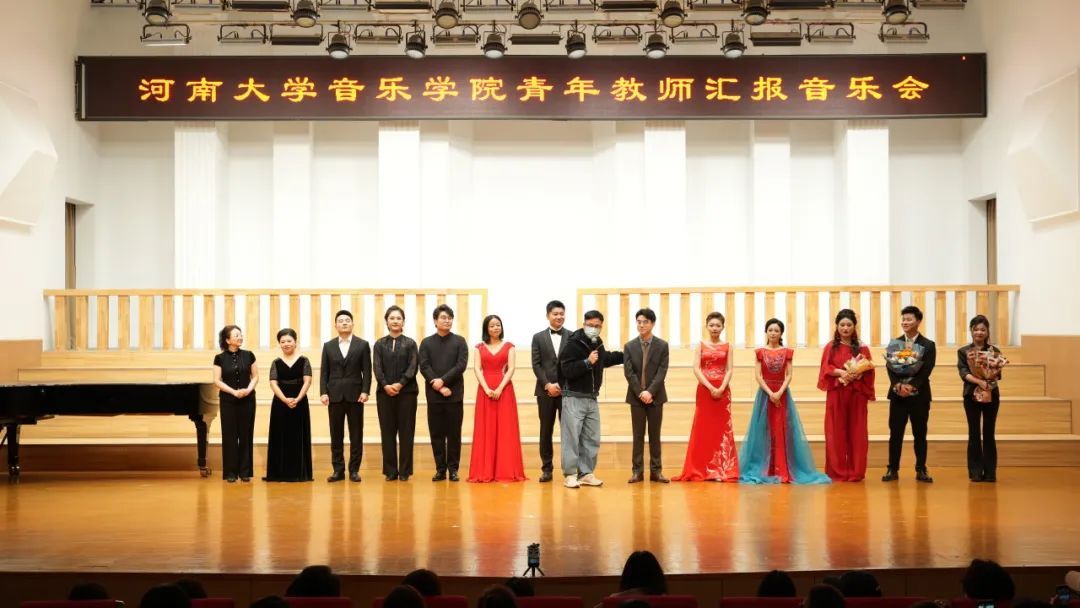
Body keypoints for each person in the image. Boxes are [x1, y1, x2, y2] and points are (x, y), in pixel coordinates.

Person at [739, 319, 830, 484]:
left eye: (776, 330)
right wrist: (770, 393)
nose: (773, 333)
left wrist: (779, 392)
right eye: (770, 330)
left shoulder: (787, 352)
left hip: (782, 394)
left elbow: (789, 375)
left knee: (782, 428)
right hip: (765, 395)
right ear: (766, 332)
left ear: (781, 333)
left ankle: (782, 467)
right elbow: (758, 376)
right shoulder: (760, 352)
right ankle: (766, 467)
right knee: (764, 429)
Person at [559, 310, 624, 489]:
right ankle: (570, 474)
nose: (594, 329)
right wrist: (587, 362)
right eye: (591, 325)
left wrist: (627, 354)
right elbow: (566, 370)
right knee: (571, 438)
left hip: (591, 398)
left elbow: (605, 359)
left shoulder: (598, 343)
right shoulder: (573, 343)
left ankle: (586, 473)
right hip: (573, 397)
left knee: (591, 438)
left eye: (597, 326)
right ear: (584, 324)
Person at [673, 311, 738, 482]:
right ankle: (701, 469)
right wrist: (710, 387)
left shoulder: (728, 346)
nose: (715, 328)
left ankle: (721, 470)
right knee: (703, 429)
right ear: (706, 326)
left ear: (723, 327)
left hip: (723, 391)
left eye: (718, 325)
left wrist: (721, 387)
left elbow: (729, 369)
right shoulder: (700, 345)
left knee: (722, 428)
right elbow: (696, 369)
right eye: (712, 325)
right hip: (704, 390)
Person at [818, 309, 876, 482]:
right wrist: (841, 372)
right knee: (835, 431)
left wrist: (857, 374)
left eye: (849, 325)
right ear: (837, 326)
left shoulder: (863, 348)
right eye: (842, 325)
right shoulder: (830, 347)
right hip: (837, 392)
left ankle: (856, 471)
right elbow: (825, 368)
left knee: (857, 432)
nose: (845, 328)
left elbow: (869, 370)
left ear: (854, 326)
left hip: (857, 394)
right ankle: (837, 471)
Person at [468, 315, 527, 482]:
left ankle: (505, 470)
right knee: (486, 429)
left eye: (498, 325)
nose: (496, 328)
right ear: (486, 329)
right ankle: (485, 471)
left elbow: (511, 369)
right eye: (492, 325)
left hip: (505, 390)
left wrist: (500, 388)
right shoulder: (479, 347)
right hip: (485, 390)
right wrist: (486, 388)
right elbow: (477, 369)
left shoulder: (509, 347)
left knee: (505, 429)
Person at [882, 305, 937, 483]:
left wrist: (912, 386)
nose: (905, 322)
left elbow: (926, 370)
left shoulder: (928, 345)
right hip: (898, 395)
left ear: (918, 321)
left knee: (920, 433)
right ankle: (892, 468)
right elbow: (890, 367)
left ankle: (921, 469)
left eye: (909, 319)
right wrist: (898, 385)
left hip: (919, 396)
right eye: (903, 319)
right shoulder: (895, 343)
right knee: (895, 433)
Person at [419, 304, 470, 482]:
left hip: (454, 395)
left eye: (449, 318)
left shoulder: (460, 341)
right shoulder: (426, 343)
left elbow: (461, 365)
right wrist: (439, 386)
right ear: (435, 321)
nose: (447, 320)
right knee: (437, 434)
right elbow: (424, 366)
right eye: (443, 317)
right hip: (434, 395)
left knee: (454, 434)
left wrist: (444, 381)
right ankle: (440, 469)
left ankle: (453, 469)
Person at [320, 310, 371, 483]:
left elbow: (367, 371)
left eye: (347, 320)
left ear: (352, 324)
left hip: (356, 396)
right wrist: (323, 392)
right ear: (335, 325)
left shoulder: (362, 345)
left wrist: (365, 391)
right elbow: (324, 372)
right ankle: (338, 470)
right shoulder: (328, 346)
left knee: (356, 435)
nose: (344, 323)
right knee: (336, 435)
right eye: (340, 320)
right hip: (334, 396)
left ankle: (354, 470)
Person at [623, 308, 670, 484]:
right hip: (636, 398)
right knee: (638, 436)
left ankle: (656, 472)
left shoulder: (662, 345)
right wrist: (640, 392)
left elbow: (662, 371)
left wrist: (650, 391)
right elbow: (629, 373)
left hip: (656, 397)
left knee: (655, 435)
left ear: (653, 324)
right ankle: (637, 471)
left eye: (645, 322)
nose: (641, 325)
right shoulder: (629, 346)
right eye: (639, 322)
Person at [373, 305, 420, 482]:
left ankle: (405, 471)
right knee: (387, 432)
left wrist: (400, 384)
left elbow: (413, 367)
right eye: (392, 318)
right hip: (384, 394)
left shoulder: (410, 343)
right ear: (386, 322)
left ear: (403, 322)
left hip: (407, 393)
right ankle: (390, 471)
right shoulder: (379, 344)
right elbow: (377, 367)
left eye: (398, 318)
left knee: (407, 432)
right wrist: (386, 385)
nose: (395, 321)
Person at [958, 315, 1004, 483]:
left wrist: (987, 386)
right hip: (970, 395)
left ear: (987, 331)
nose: (979, 332)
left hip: (992, 395)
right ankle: (975, 472)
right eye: (976, 329)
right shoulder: (963, 351)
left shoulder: (995, 351)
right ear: (971, 331)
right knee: (974, 433)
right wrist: (979, 382)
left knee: (989, 433)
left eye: (983, 329)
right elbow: (963, 372)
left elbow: (997, 375)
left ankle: (990, 472)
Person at [264, 328, 313, 482]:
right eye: (282, 341)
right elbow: (273, 383)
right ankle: (279, 474)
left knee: (298, 436)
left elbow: (307, 381)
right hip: (280, 403)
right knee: (280, 436)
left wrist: (297, 399)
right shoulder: (276, 362)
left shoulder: (304, 360)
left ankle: (299, 473)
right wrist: (285, 399)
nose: (286, 344)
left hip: (300, 402)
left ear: (295, 342)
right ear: (279, 344)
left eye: (289, 341)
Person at [531, 300, 571, 482]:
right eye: (555, 314)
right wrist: (548, 384)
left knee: (568, 432)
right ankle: (546, 469)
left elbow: (573, 364)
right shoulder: (538, 337)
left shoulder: (572, 336)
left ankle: (569, 469)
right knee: (545, 431)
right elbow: (536, 364)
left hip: (566, 391)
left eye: (561, 313)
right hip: (544, 392)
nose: (559, 317)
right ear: (548, 316)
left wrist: (562, 385)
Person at [213, 325, 258, 483]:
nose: (240, 337)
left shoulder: (249, 355)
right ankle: (230, 473)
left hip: (248, 399)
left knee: (246, 435)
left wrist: (248, 390)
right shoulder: (219, 358)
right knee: (229, 435)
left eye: (240, 334)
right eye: (236, 335)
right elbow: (217, 380)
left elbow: (255, 376)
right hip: (228, 401)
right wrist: (234, 392)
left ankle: (245, 472)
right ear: (227, 340)